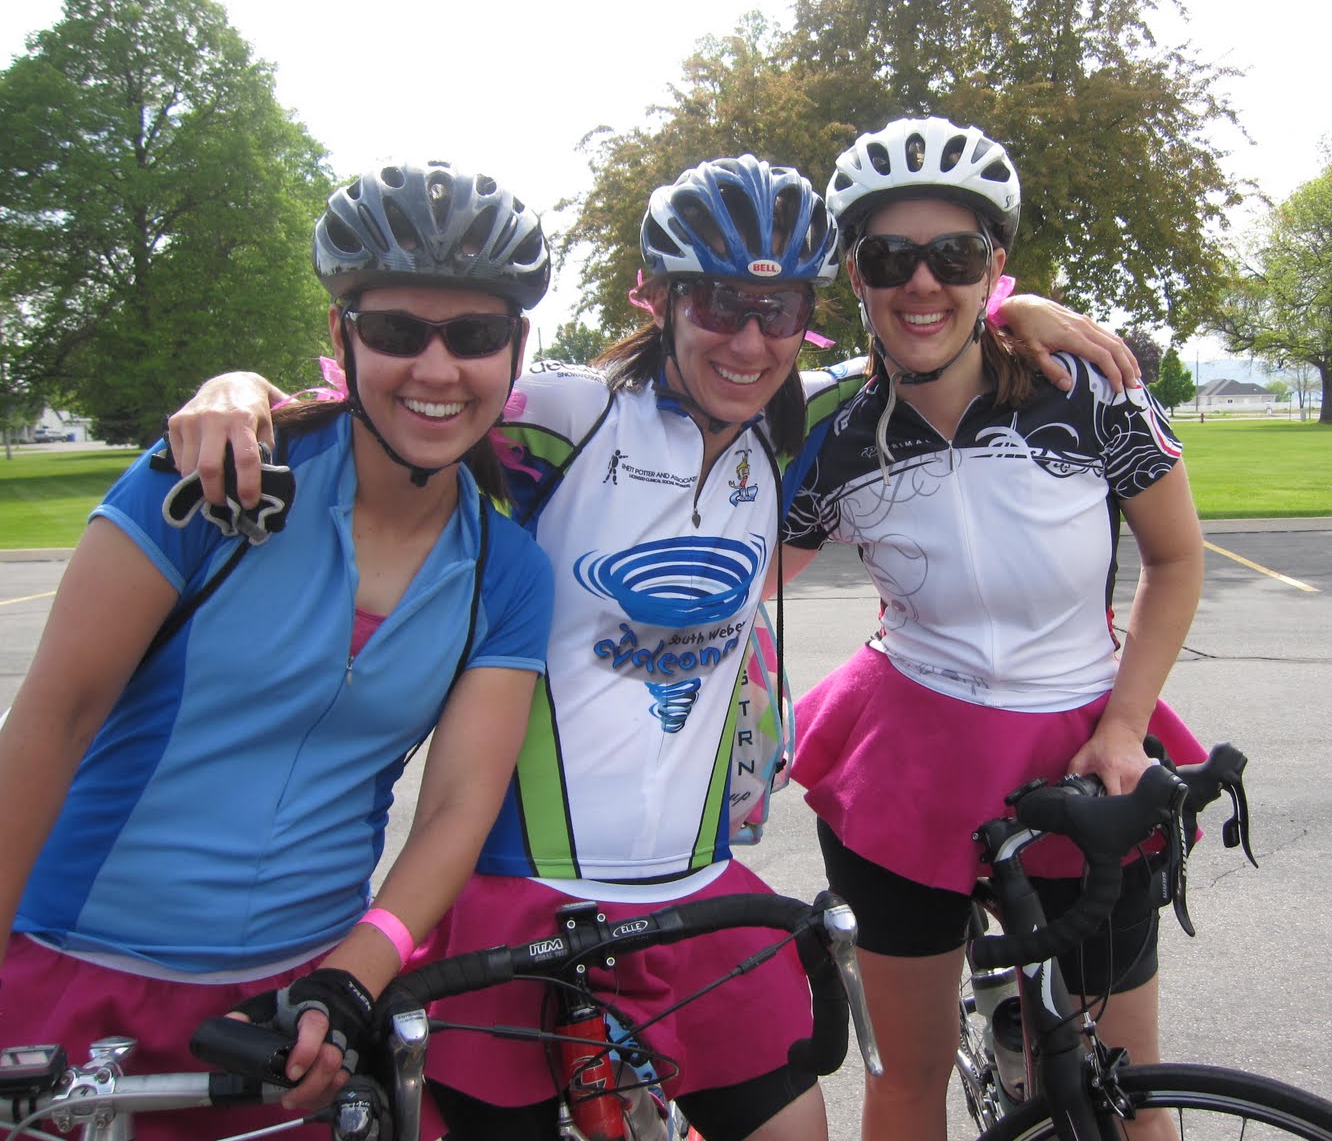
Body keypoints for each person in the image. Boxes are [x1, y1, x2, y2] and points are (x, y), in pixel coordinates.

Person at [167, 155, 1141, 1141]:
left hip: (693, 891)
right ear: (657, 297)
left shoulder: (798, 421)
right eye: (717, 303)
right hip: (516, 890)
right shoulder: (568, 415)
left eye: (777, 309)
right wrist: (240, 394)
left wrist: (1018, 310)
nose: (748, 339)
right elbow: (406, 395)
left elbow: (929, 331)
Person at [0, 161, 555, 1140]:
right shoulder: (206, 484)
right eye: (396, 331)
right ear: (342, 336)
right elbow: (53, 719)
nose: (436, 370)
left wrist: (354, 975)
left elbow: (457, 808)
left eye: (473, 336)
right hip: (74, 977)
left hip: (294, 1016)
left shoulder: (507, 572)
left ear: (515, 351)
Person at [777, 117, 1207, 1141]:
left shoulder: (1085, 391)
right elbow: (742, 582)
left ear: (994, 264)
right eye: (891, 258)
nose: (921, 283)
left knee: (1128, 1088)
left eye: (956, 256)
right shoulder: (829, 433)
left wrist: (1124, 724)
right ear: (855, 275)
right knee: (907, 1080)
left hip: (1085, 742)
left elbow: (1177, 558)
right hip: (905, 755)